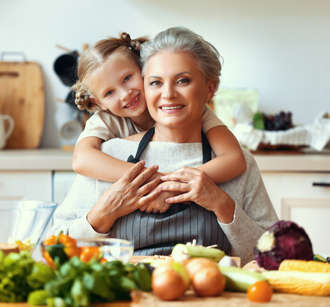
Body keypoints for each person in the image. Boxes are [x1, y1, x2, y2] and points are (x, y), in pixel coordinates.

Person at [49, 27, 278, 263]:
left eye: (183, 81)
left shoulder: (234, 162)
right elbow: (53, 249)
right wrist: (101, 215)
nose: (168, 94)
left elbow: (273, 258)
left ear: (210, 88)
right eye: (156, 82)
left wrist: (223, 205)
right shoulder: (108, 155)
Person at [71, 32, 246, 203]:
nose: (125, 94)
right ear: (99, 103)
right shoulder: (106, 120)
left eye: (127, 78)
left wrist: (174, 184)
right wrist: (154, 180)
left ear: (144, 71)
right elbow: (82, 160)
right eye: (109, 93)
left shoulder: (187, 109)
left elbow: (234, 159)